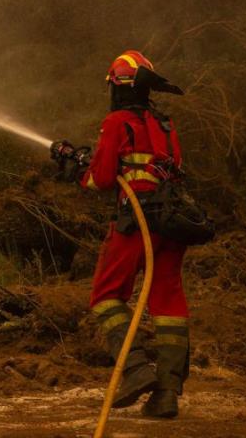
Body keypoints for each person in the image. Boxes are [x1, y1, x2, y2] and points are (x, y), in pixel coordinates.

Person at [78, 50, 190, 419]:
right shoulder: (166, 124)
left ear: (117, 86)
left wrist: (81, 172)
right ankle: (167, 394)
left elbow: (103, 179)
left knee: (106, 296)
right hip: (172, 224)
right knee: (168, 305)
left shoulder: (116, 122)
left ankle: (135, 370)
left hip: (135, 222)